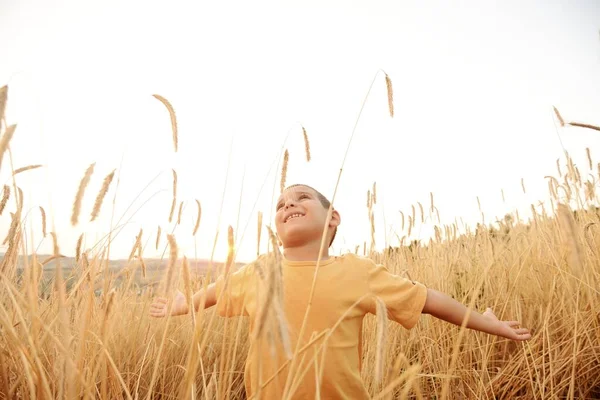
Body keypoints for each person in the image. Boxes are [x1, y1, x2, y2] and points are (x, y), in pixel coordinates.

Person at [150, 184, 531, 399]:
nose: (288, 205)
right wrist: (186, 303)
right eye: (280, 204)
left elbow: (427, 299)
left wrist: (488, 323)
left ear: (332, 217)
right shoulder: (261, 270)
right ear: (276, 225)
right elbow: (219, 290)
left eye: (301, 198)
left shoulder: (356, 272)